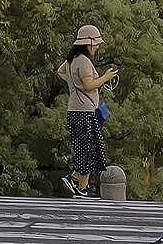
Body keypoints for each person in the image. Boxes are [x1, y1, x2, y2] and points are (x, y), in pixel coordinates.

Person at [57, 23, 118, 197]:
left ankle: (80, 185)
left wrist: (72, 81)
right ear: (88, 43)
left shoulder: (72, 59)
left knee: (88, 148)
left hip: (76, 110)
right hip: (83, 112)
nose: (97, 47)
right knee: (88, 149)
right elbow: (89, 85)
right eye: (96, 43)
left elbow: (60, 72)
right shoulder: (83, 61)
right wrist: (105, 77)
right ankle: (77, 183)